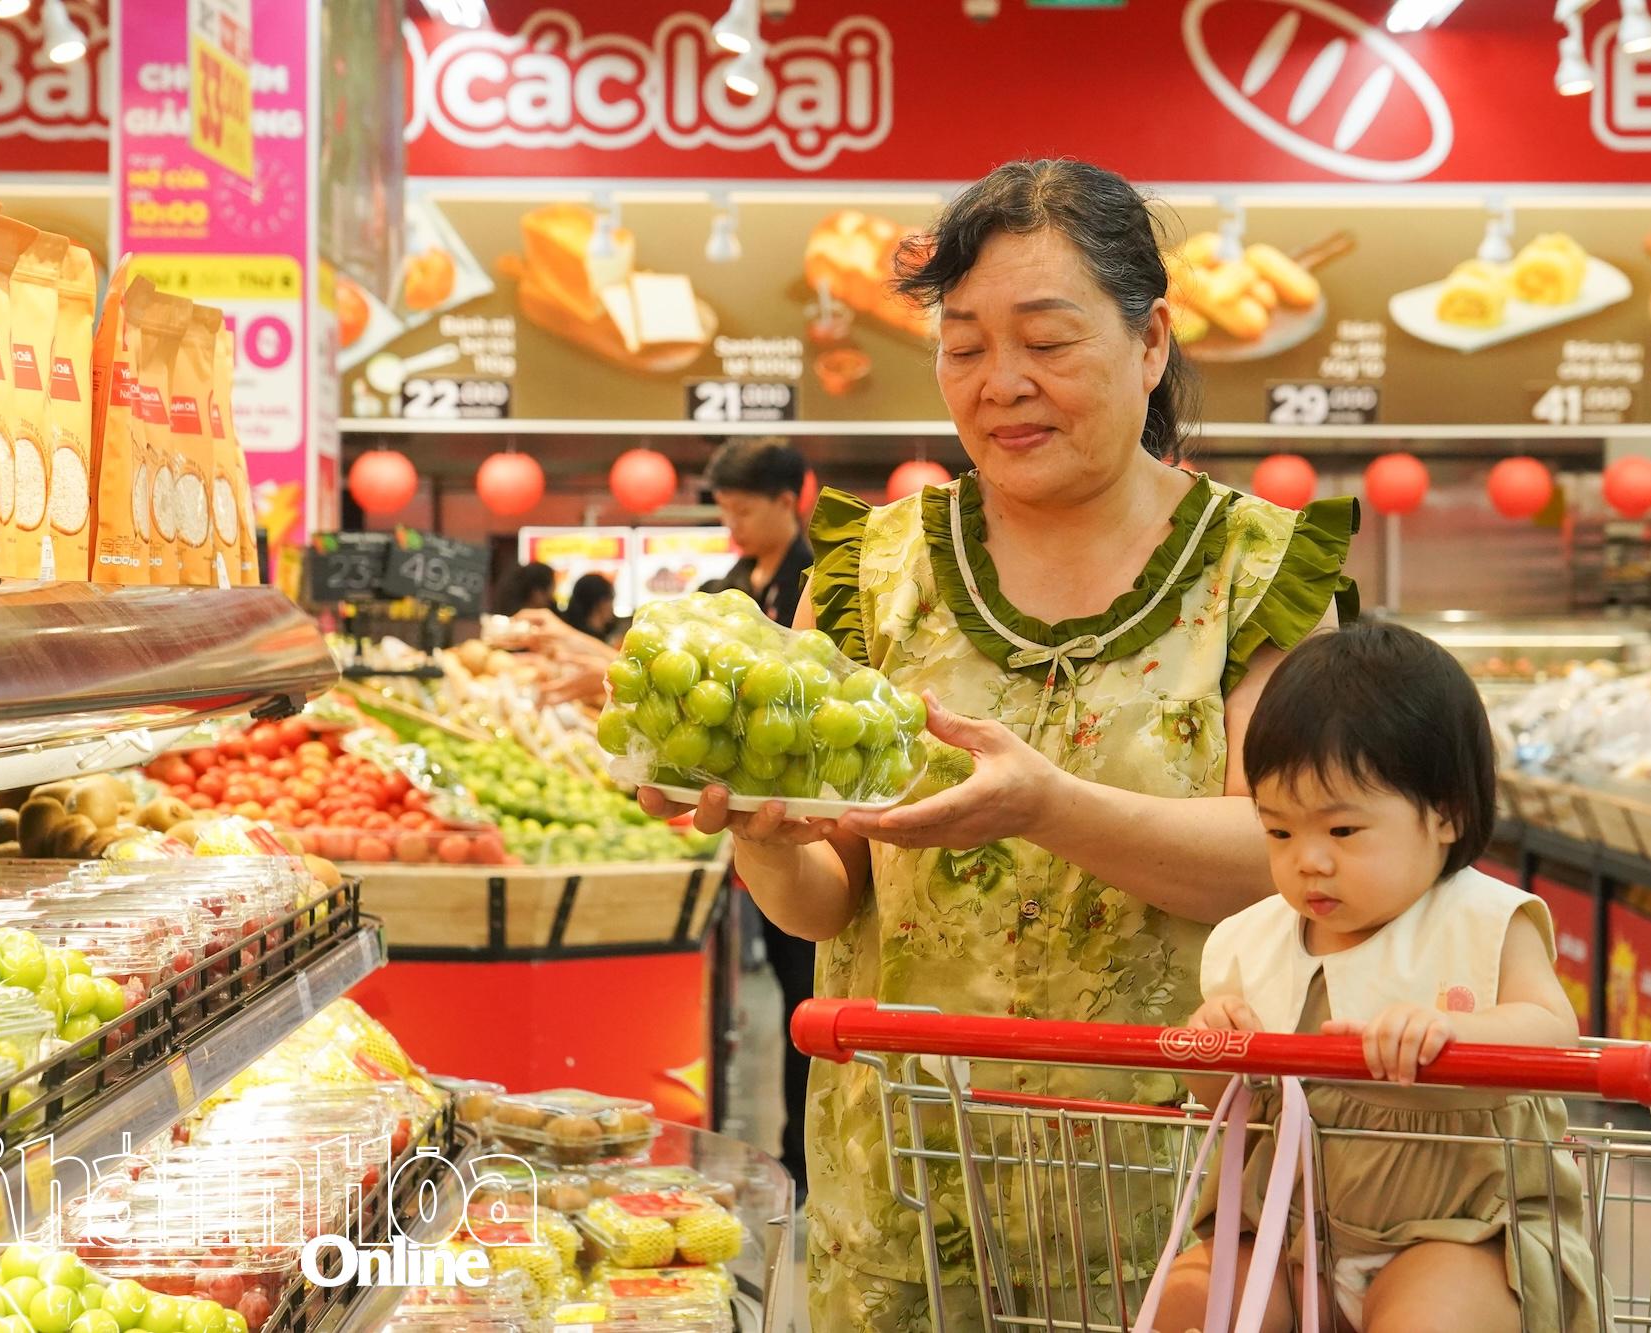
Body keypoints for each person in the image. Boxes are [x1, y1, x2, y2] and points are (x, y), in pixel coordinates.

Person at [637, 158, 1358, 1329]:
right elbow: (834, 900)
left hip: (1166, 1197)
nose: (1001, 384)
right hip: (909, 1185)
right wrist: (763, 840)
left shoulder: (1259, 575)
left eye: (1046, 341)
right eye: (963, 346)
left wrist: (1045, 806)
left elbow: (1295, 860)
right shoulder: (870, 571)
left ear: (1150, 343)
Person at [1161, 623, 1596, 1333]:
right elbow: (1219, 1097)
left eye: (1342, 832)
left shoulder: (1483, 921)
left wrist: (1459, 1032)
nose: (1308, 861)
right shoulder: (1251, 938)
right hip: (1283, 1231)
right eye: (1278, 831)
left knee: (1431, 1316)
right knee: (1192, 1302)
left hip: (1455, 1230)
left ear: (1447, 814)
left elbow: (1555, 1035)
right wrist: (1214, 1048)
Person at [702, 435, 818, 1204]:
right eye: (725, 511)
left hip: (812, 829)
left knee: (806, 1000)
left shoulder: (823, 584)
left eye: (744, 508)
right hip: (753, 831)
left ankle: (802, 1160)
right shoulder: (736, 585)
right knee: (786, 988)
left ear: (789, 500)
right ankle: (792, 1153)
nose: (734, 525)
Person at [705, 437, 814, 625]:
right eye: (724, 509)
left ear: (785, 503)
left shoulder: (812, 586)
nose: (730, 523)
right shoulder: (726, 586)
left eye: (743, 511)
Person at [560, 572, 619, 642]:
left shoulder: (567, 634)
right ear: (600, 603)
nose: (611, 606)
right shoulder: (590, 642)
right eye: (611, 599)